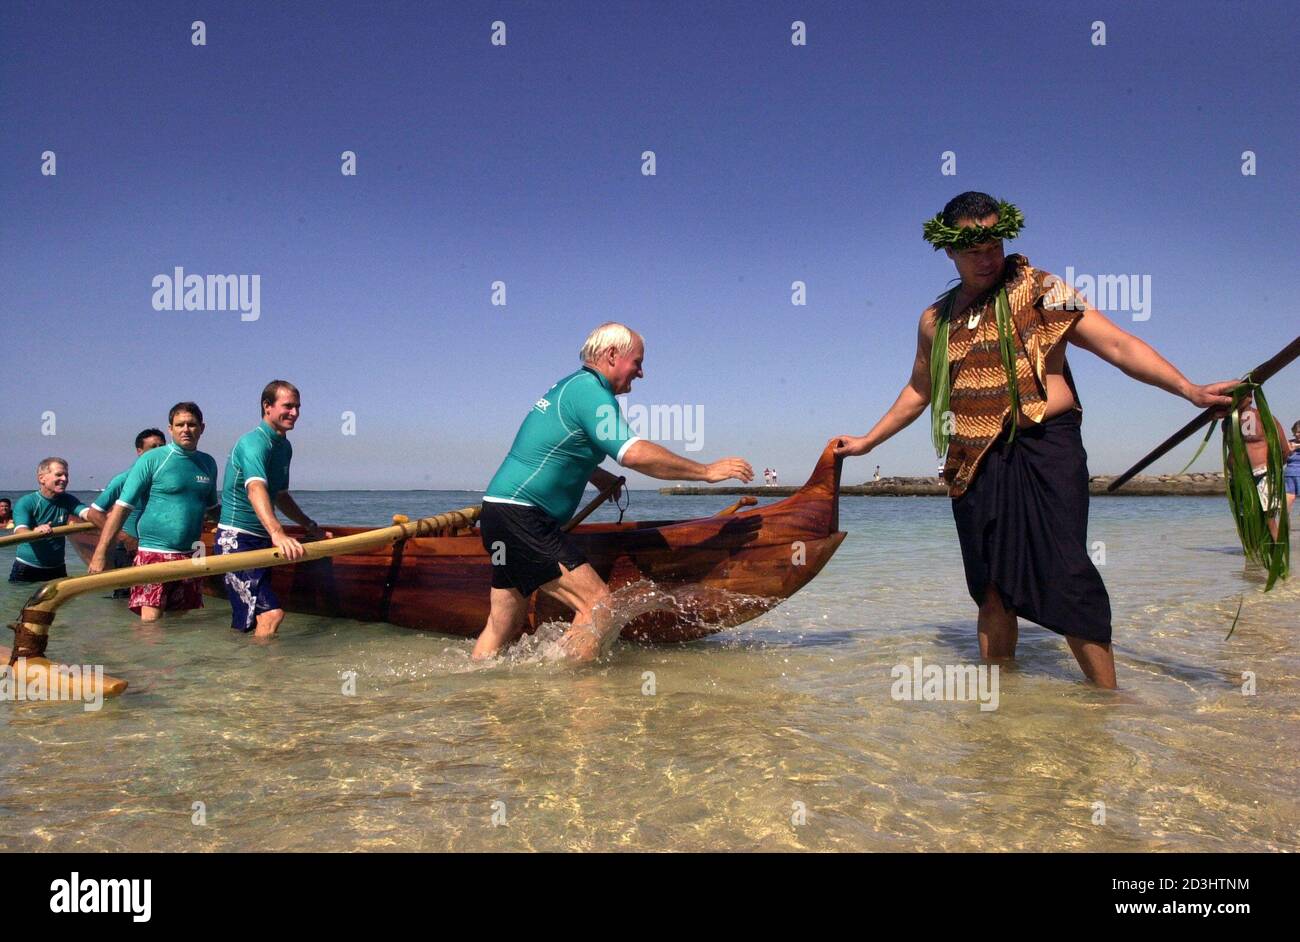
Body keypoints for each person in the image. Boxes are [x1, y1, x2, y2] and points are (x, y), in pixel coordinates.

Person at [832, 192, 1237, 689]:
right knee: (992, 587)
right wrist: (869, 441)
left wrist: (1188, 389)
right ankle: (1001, 702)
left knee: (1067, 572)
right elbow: (920, 389)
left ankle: (1108, 704)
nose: (987, 257)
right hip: (974, 461)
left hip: (1047, 448)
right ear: (948, 251)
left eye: (994, 243)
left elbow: (1117, 343)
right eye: (973, 247)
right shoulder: (935, 321)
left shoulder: (1046, 288)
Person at [473, 322, 753, 662]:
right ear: (611, 355)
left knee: (501, 625)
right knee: (598, 605)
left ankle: (483, 695)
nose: (642, 372)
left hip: (500, 513)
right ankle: (580, 704)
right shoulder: (592, 393)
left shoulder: (571, 387)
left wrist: (598, 475)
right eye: (637, 361)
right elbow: (633, 453)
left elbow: (560, 444)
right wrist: (706, 472)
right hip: (523, 517)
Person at [214, 380, 326, 637]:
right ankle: (264, 674)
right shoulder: (253, 443)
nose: (295, 413)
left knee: (250, 620)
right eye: (288, 406)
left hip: (261, 540)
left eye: (298, 407)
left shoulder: (284, 446)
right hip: (236, 541)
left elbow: (280, 495)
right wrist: (278, 533)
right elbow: (256, 489)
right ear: (267, 406)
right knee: (271, 614)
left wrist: (309, 526)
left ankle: (241, 666)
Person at [88, 404, 219, 621]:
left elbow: (213, 509)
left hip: (193, 554)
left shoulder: (208, 463)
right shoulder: (153, 459)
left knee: (181, 626)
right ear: (170, 429)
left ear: (202, 428)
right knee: (150, 626)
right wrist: (100, 553)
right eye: (180, 425)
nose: (186, 429)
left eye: (192, 424)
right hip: (153, 553)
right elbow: (122, 508)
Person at [86, 428, 167, 595]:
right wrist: (124, 538)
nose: (159, 451)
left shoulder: (167, 479)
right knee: (125, 605)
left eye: (162, 446)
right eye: (153, 447)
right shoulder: (124, 479)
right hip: (127, 551)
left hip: (157, 550)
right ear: (139, 451)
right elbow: (94, 513)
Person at [8, 458, 92, 582]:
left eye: (66, 475)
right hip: (27, 568)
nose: (64, 479)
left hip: (58, 569)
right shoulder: (26, 502)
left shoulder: (68, 500)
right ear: (42, 478)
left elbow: (88, 513)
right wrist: (35, 532)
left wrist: (109, 515)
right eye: (59, 475)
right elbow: (20, 531)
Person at [1236, 393, 1293, 539]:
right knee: (1247, 517)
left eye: (1238, 395)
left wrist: (1274, 470)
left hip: (1265, 471)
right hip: (1243, 477)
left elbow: (1284, 448)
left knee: (1270, 517)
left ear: (1250, 397)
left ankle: (1278, 553)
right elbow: (1232, 450)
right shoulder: (1230, 422)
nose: (1234, 398)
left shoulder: (1265, 418)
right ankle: (1254, 556)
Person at [1286, 421, 1300, 520]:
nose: (1296, 434)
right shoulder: (1289, 443)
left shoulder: (1294, 445)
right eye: (1295, 432)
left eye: (1299, 432)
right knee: (1286, 508)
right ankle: (1285, 530)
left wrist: (1297, 446)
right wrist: (1288, 450)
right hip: (1289, 476)